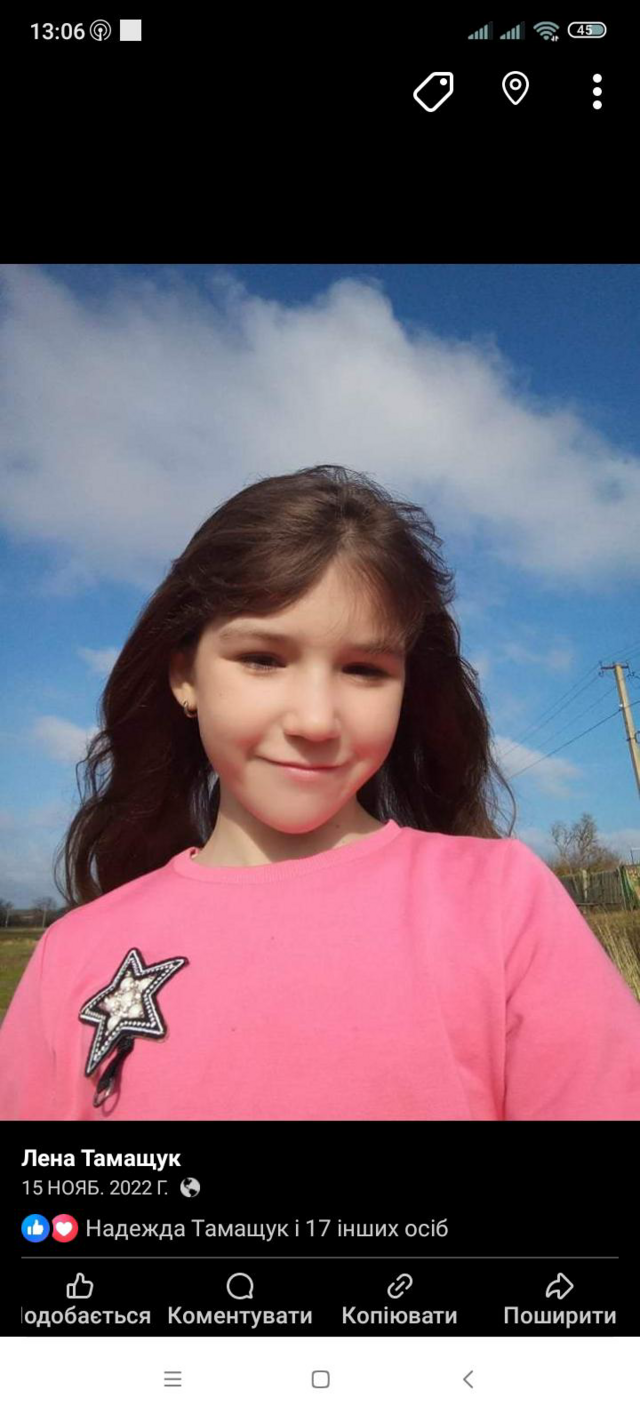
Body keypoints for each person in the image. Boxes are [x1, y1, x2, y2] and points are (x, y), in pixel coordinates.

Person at [1, 463, 639, 1120]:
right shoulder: (71, 957)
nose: (314, 721)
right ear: (185, 676)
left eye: (363, 669)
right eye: (262, 659)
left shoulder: (502, 904)